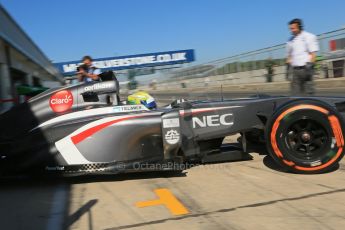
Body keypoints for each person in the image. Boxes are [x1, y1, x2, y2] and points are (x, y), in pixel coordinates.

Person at [286, 18, 319, 96]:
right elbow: (289, 56)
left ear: (300, 27)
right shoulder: (290, 40)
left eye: (293, 28)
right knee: (295, 94)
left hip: (306, 68)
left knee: (308, 93)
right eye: (290, 29)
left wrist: (310, 67)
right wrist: (287, 69)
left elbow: (313, 54)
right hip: (295, 70)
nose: (292, 30)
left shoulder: (309, 36)